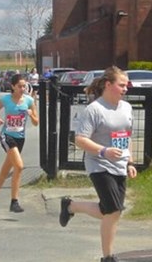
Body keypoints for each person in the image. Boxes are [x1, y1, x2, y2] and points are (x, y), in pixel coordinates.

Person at [58, 66, 137, 262]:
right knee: (113, 210)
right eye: (121, 85)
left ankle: (70, 206)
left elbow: (127, 137)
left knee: (109, 211)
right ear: (108, 85)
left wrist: (130, 162)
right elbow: (80, 139)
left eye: (127, 85)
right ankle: (108, 257)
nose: (125, 89)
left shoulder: (126, 108)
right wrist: (103, 150)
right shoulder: (94, 109)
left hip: (119, 165)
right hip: (99, 164)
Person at [0, 74, 39, 214]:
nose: (23, 88)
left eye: (25, 86)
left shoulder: (29, 100)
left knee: (5, 171)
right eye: (20, 86)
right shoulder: (6, 100)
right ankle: (14, 201)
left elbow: (36, 122)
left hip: (20, 138)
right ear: (13, 87)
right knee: (19, 166)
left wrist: (31, 114)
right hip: (6, 136)